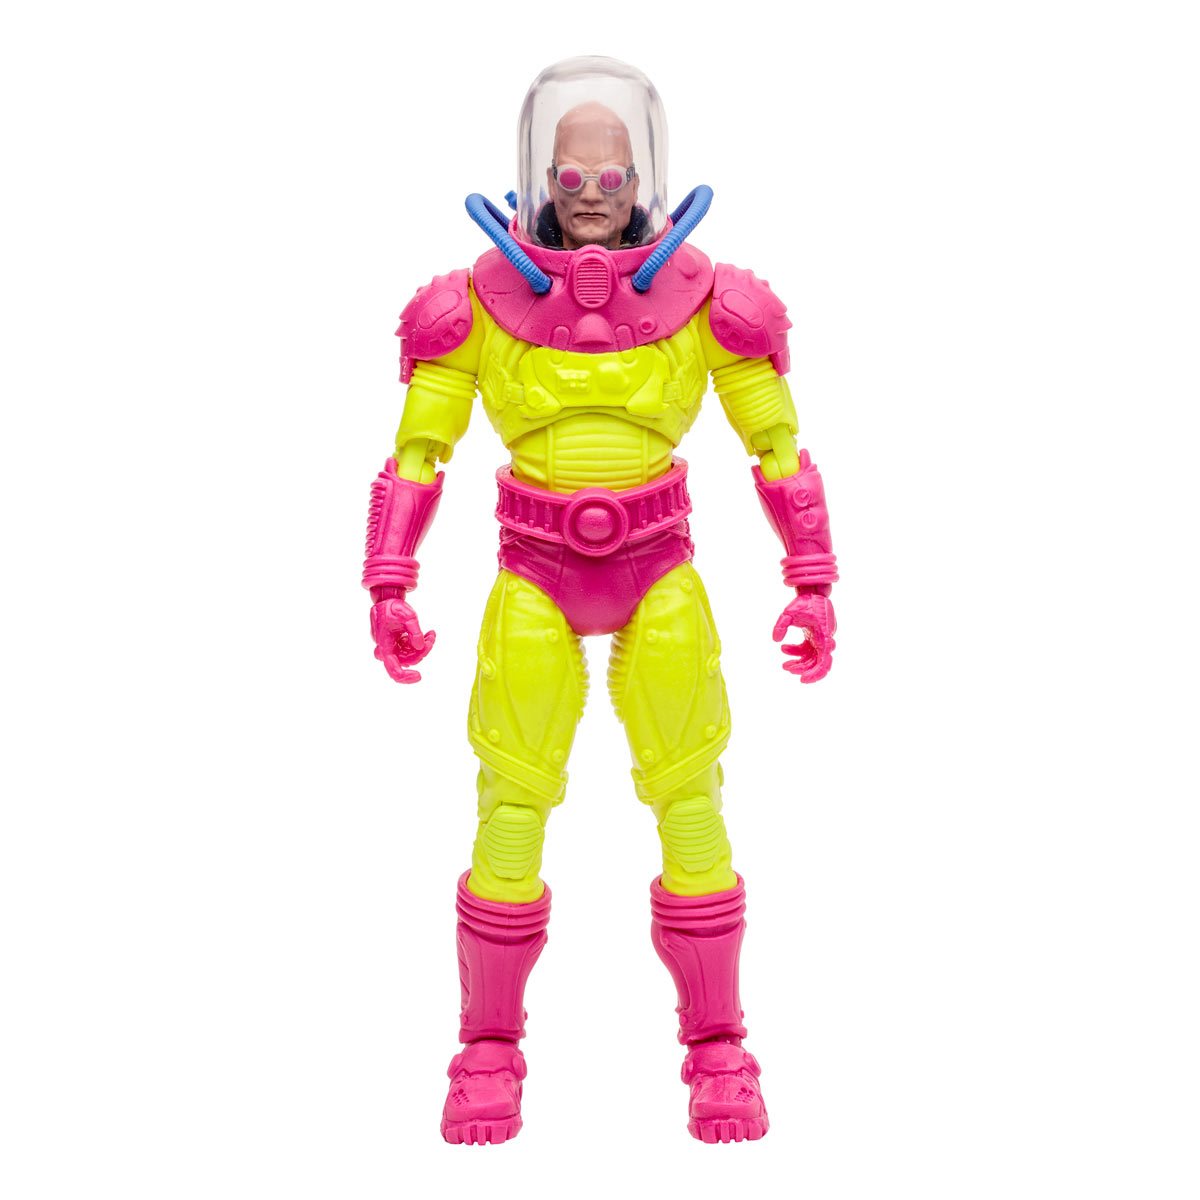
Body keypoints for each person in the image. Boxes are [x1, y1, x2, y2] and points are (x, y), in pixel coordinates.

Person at [361, 57, 838, 1145]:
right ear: (543, 176)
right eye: (571, 174)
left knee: (690, 797)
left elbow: (777, 445)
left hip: (658, 565)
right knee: (512, 802)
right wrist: (390, 576)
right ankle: (488, 1048)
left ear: (640, 177)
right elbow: (419, 453)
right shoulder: (473, 303)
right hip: (532, 571)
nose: (588, 193)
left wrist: (811, 574)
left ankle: (718, 1047)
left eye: (610, 173)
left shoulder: (709, 298)